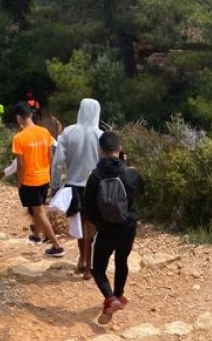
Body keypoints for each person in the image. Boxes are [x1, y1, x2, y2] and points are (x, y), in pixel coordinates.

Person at [82, 132, 144, 324]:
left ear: (100, 150)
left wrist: (97, 223)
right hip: (127, 227)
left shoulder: (94, 176)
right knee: (122, 261)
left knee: (98, 268)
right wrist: (127, 165)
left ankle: (110, 298)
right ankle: (118, 295)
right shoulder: (130, 173)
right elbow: (140, 192)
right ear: (120, 148)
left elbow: (88, 207)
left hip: (106, 229)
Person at [51, 98, 102, 276]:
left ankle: (81, 258)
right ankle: (90, 265)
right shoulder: (101, 135)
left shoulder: (68, 132)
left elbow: (58, 162)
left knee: (79, 224)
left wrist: (55, 185)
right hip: (95, 187)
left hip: (74, 185)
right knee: (92, 226)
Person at [11, 101, 64, 257]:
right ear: (31, 114)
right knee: (37, 208)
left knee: (39, 212)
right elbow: (50, 157)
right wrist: (48, 173)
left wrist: (19, 184)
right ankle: (37, 235)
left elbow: (20, 166)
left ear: (19, 118)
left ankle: (57, 245)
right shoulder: (44, 132)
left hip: (30, 180)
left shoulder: (19, 138)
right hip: (44, 177)